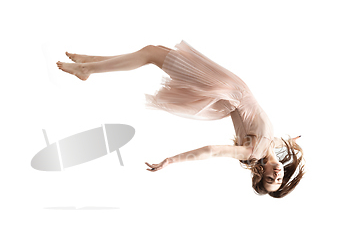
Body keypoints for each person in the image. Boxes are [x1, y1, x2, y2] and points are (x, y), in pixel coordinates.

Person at [56, 40, 305, 198]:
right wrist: (288, 143)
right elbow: (274, 139)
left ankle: (87, 70)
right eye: (279, 178)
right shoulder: (272, 145)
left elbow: (211, 151)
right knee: (154, 51)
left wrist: (171, 160)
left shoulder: (252, 151)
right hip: (231, 87)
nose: (276, 175)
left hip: (223, 88)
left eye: (269, 179)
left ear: (259, 172)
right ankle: (91, 62)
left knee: (151, 54)